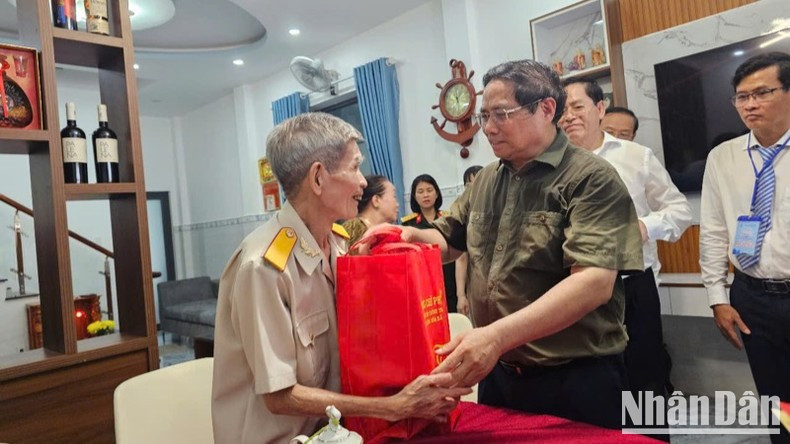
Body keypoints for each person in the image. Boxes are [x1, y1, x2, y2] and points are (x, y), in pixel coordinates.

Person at [363, 59, 644, 429]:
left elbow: (593, 283)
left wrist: (495, 336)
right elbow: (450, 238)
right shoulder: (487, 180)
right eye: (484, 116)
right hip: (500, 372)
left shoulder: (590, 178)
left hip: (574, 377)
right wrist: (411, 236)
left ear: (545, 109)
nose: (488, 128)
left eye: (501, 114)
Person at [211, 113, 470, 444]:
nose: (364, 182)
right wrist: (393, 406)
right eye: (354, 168)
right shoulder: (263, 267)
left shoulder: (339, 244)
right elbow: (279, 396)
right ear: (318, 178)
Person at [559, 77, 692, 396]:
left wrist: (646, 226)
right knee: (592, 385)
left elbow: (680, 210)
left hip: (632, 285)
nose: (570, 116)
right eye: (562, 110)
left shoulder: (636, 156)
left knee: (645, 382)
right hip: (573, 288)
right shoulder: (550, 166)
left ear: (600, 108)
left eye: (578, 106)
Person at [700, 51, 790, 444]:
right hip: (752, 295)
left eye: (762, 92)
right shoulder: (723, 157)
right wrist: (718, 298)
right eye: (740, 96)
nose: (749, 104)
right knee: (777, 402)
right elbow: (714, 229)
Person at [401, 174, 458, 313]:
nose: (425, 195)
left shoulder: (449, 219)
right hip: (423, 281)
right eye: (420, 192)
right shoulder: (408, 224)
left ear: (437, 193)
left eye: (429, 190)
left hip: (449, 278)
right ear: (414, 197)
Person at [455, 165, 483, 315]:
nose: (473, 188)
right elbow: (461, 257)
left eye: (478, 183)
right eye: (468, 185)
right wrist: (461, 295)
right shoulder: (463, 214)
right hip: (476, 288)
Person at [342, 174, 400, 246]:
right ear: (376, 200)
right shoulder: (354, 229)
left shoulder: (388, 232)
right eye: (394, 196)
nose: (397, 204)